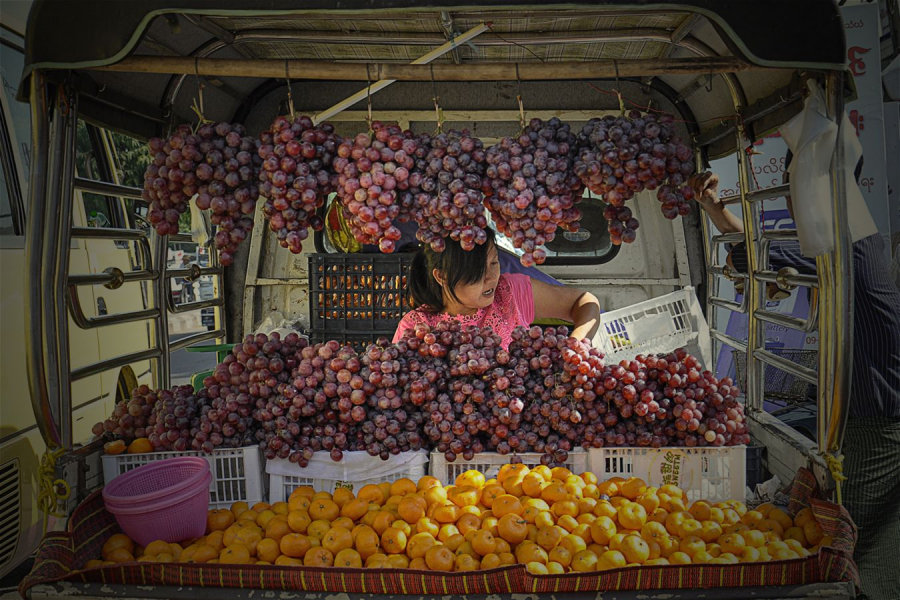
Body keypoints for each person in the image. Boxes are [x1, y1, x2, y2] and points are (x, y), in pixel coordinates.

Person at [689, 158, 900, 600]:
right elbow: (760, 254)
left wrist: (715, 212)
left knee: (866, 530)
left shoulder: (843, 238)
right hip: (870, 399)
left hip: (878, 408)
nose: (789, 194)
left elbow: (757, 255)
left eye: (795, 183)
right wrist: (712, 208)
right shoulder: (850, 234)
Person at [394, 228, 601, 349]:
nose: (492, 278)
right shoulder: (416, 328)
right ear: (442, 276)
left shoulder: (510, 292)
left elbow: (584, 301)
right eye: (477, 272)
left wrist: (577, 345)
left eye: (494, 263)